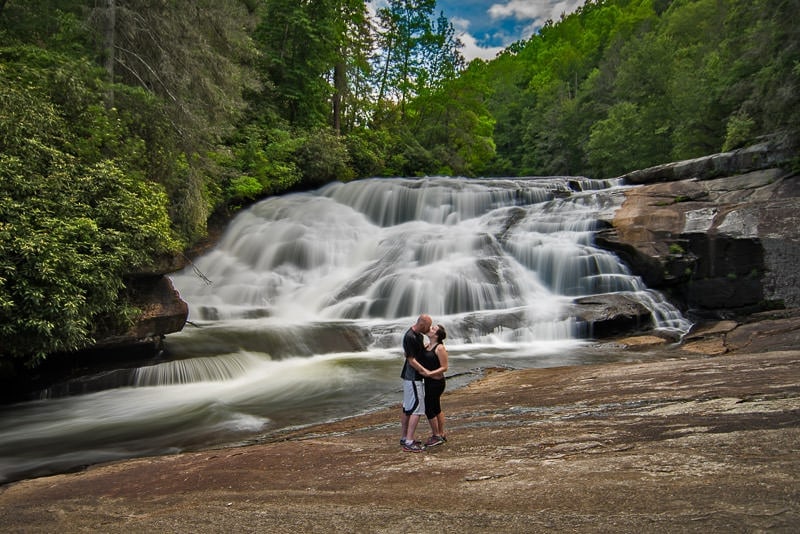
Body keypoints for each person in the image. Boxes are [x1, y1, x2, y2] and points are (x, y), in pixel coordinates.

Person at [400, 314, 432, 452]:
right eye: (428, 326)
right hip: (413, 377)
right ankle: (409, 440)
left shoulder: (418, 336)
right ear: (422, 324)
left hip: (409, 377)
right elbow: (411, 360)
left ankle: (404, 437)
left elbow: (417, 353)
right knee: (417, 409)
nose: (429, 329)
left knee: (407, 408)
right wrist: (425, 371)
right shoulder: (410, 337)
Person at [421, 324, 448, 447]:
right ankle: (441, 433)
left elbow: (444, 367)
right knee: (436, 407)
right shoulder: (427, 345)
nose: (430, 328)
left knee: (429, 408)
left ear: (436, 335)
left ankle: (436, 435)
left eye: (433, 329)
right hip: (429, 382)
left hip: (437, 383)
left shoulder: (440, 348)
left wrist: (429, 373)